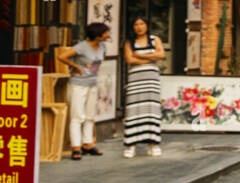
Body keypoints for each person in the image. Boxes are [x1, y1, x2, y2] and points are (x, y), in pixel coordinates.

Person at [54, 22, 111, 161]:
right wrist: (75, 67)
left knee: (90, 115)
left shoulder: (103, 46)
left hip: (93, 83)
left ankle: (88, 144)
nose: (108, 34)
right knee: (77, 115)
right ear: (97, 34)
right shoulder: (82, 46)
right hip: (78, 84)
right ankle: (76, 147)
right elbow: (61, 56)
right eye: (105, 32)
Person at [122, 16, 165, 157]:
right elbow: (129, 59)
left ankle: (153, 144)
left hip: (151, 79)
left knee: (151, 110)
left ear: (147, 25)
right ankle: (130, 145)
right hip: (135, 79)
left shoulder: (155, 39)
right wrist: (150, 56)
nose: (139, 27)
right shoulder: (129, 42)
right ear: (132, 27)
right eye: (136, 24)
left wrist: (140, 57)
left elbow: (161, 55)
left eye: (142, 23)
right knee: (134, 110)